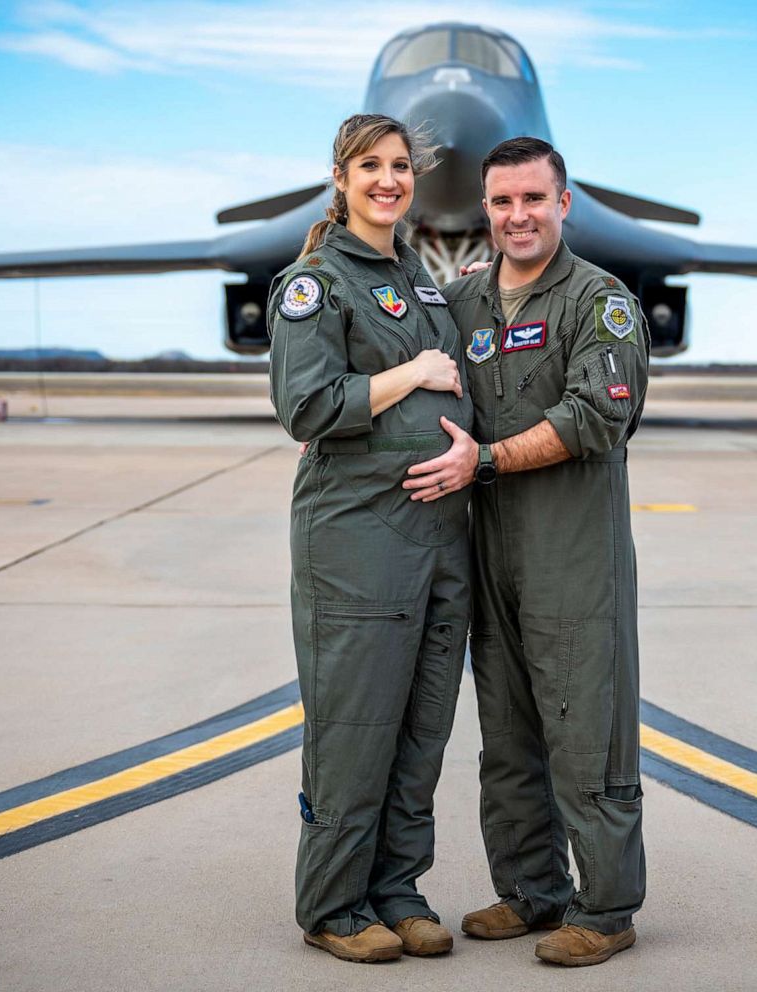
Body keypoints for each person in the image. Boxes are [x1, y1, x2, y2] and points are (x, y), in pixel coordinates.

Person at [403, 137, 650, 967]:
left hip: (572, 558)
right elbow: (409, 380)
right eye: (503, 202)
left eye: (534, 200)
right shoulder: (464, 302)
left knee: (586, 734)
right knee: (507, 737)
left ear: (564, 202)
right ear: (486, 209)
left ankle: (606, 909)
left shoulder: (598, 301)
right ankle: (532, 891)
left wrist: (491, 459)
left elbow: (594, 416)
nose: (518, 216)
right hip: (490, 555)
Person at [267, 113, 474, 964]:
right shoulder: (315, 283)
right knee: (354, 727)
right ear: (341, 177)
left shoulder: (422, 283)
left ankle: (398, 888)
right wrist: (416, 372)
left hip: (436, 538)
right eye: (370, 167)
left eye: (399, 167)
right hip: (357, 539)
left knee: (422, 728)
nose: (388, 181)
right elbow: (307, 407)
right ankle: (333, 904)